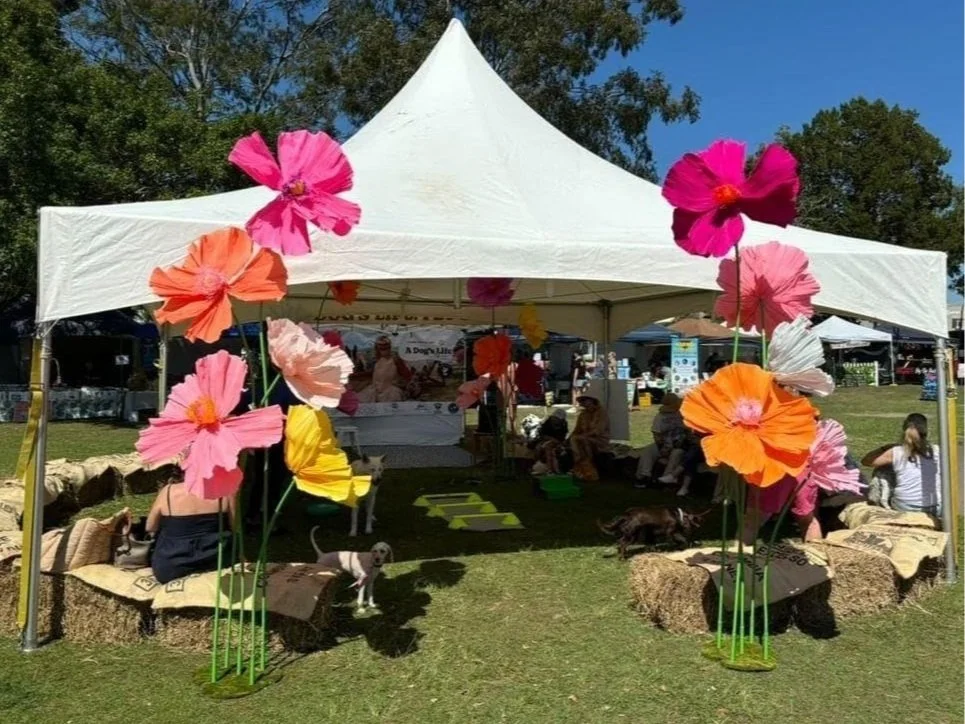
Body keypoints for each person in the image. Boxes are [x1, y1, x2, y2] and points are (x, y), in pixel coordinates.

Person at [147, 470, 235, 584]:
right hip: (217, 563)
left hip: (172, 567)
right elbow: (235, 526)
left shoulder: (168, 491)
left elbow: (150, 527)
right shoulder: (225, 490)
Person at [862, 413, 942, 515]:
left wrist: (885, 448)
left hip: (905, 505)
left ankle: (882, 504)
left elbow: (867, 461)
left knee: (882, 469)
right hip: (935, 506)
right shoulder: (937, 450)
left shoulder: (897, 451)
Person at [634, 393, 688, 488]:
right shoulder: (660, 416)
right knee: (648, 451)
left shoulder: (683, 415)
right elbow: (656, 434)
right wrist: (662, 447)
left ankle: (665, 479)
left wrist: (680, 442)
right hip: (664, 444)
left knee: (676, 454)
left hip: (679, 444)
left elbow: (687, 432)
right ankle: (643, 476)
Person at [568, 395, 609, 481]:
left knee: (581, 441)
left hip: (600, 440)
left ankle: (586, 467)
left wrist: (583, 436)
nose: (582, 402)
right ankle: (581, 466)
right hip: (584, 438)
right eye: (582, 401)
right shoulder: (583, 414)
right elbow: (577, 429)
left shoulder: (601, 413)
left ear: (591, 401)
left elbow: (599, 430)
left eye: (584, 400)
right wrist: (569, 438)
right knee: (575, 440)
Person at [357, 335, 409, 403]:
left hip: (390, 392)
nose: (383, 350)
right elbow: (371, 373)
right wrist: (354, 375)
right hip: (375, 390)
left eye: (385, 348)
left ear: (389, 347)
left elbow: (407, 375)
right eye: (380, 348)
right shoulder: (377, 360)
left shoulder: (396, 360)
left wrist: (402, 384)